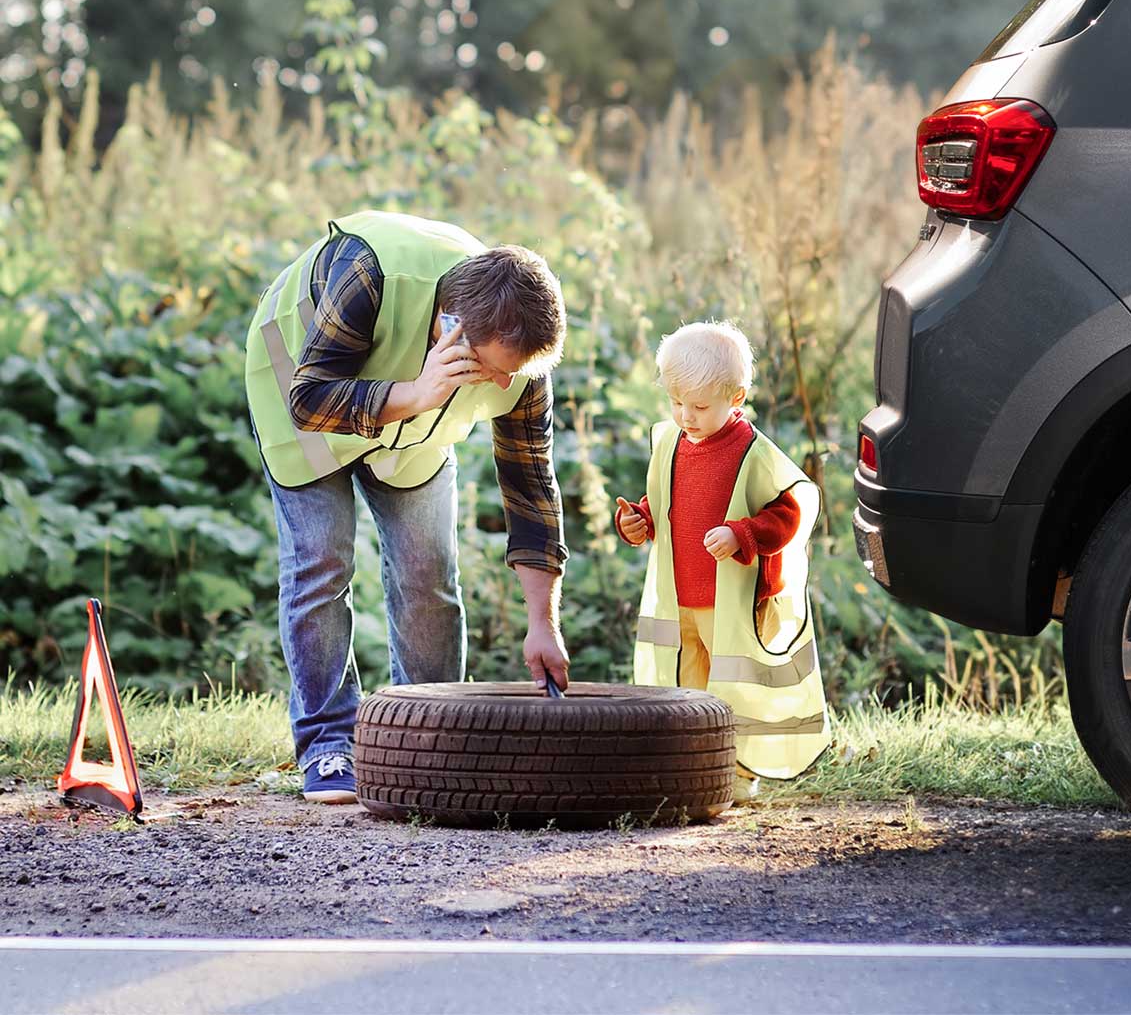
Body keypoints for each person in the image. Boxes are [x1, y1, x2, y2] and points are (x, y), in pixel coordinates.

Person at [244, 210, 571, 804]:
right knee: (322, 565)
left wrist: (542, 623)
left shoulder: (520, 363)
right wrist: (418, 392)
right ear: (450, 330)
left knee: (428, 575)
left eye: (516, 375)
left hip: (413, 429)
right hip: (303, 387)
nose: (505, 388)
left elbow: (530, 488)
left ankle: (429, 735)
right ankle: (327, 744)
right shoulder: (368, 273)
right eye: (495, 372)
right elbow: (310, 399)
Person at [614, 320, 831, 801]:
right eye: (675, 402)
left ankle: (736, 771)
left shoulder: (753, 454)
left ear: (736, 397)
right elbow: (665, 502)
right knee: (686, 685)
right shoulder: (670, 443)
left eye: (698, 406)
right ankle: (691, 766)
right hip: (682, 599)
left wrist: (742, 533)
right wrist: (641, 521)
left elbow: (789, 512)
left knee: (732, 687)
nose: (685, 416)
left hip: (730, 602)